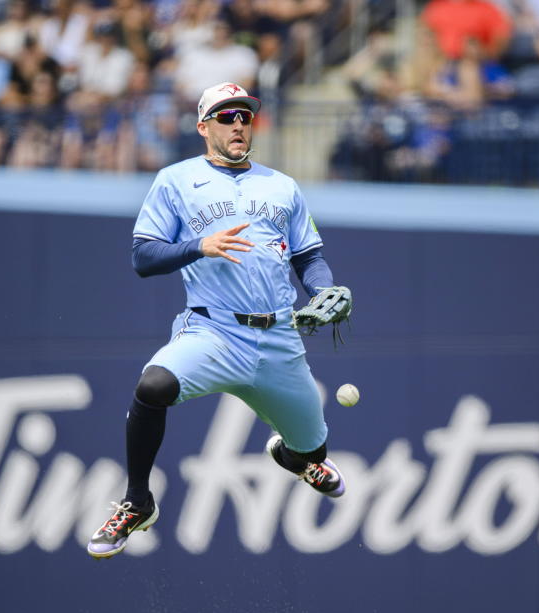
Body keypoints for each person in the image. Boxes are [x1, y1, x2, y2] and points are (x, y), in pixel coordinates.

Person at [87, 81, 350, 559]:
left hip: (279, 339)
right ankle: (137, 501)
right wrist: (197, 246)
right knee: (153, 387)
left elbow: (310, 257)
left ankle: (295, 458)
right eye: (226, 117)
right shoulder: (175, 179)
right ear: (203, 126)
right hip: (214, 330)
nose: (238, 125)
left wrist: (323, 288)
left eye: (245, 117)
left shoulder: (282, 185)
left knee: (312, 450)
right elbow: (143, 257)